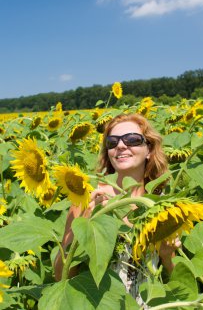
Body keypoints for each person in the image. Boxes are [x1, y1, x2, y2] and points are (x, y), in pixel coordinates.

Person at [54, 113, 179, 297]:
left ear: (149, 149)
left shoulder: (159, 203)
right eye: (112, 142)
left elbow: (177, 279)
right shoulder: (87, 198)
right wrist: (85, 224)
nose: (121, 145)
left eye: (132, 140)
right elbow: (61, 276)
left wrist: (167, 256)